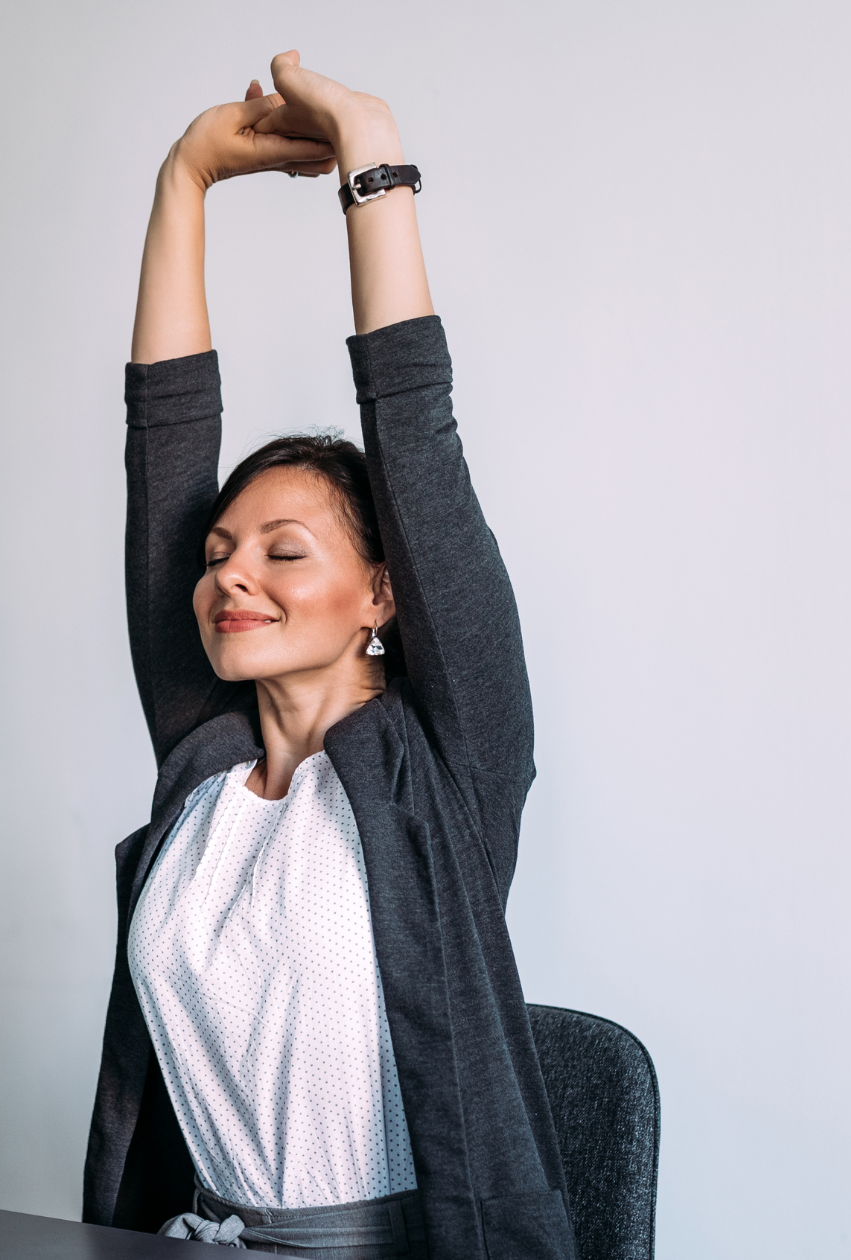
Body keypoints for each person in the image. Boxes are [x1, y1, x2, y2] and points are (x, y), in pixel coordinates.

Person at [82, 51, 575, 1260]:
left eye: (283, 551)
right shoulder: (200, 764)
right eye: (217, 552)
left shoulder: (441, 768)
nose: (229, 575)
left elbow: (416, 432)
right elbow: (163, 442)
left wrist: (368, 146)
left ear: (384, 594)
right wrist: (183, 178)